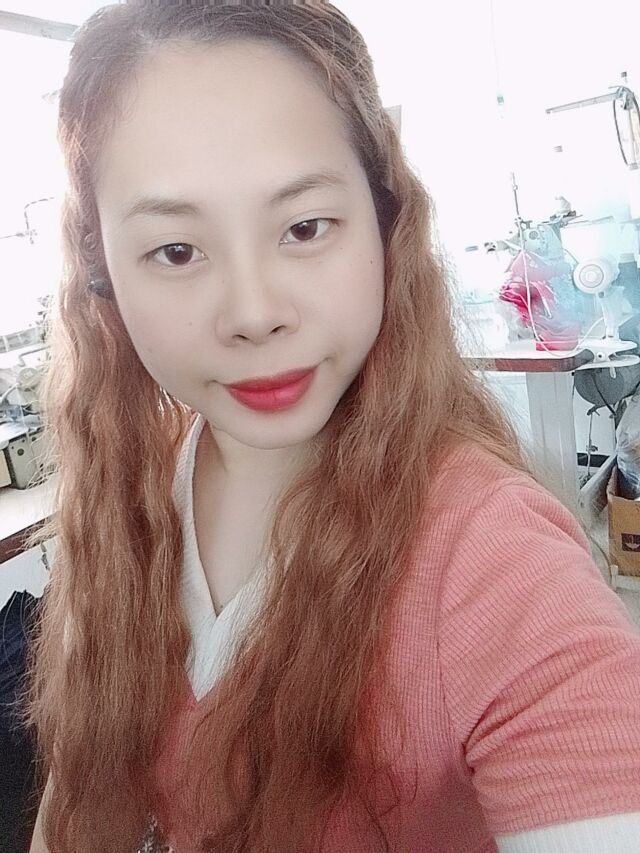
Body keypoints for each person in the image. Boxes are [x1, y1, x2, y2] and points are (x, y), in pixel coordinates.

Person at [23, 2, 640, 852]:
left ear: (386, 220)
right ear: (103, 269)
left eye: (304, 228)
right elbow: (76, 804)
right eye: (177, 250)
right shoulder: (128, 502)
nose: (254, 312)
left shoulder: (490, 556)